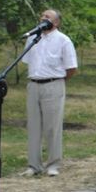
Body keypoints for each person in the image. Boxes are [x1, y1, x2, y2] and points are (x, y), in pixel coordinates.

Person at [21, 9, 78, 177]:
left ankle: (53, 164)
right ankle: (34, 165)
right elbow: (27, 61)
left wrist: (59, 81)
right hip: (33, 85)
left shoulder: (63, 40)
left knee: (52, 127)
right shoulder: (32, 38)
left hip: (53, 85)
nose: (44, 18)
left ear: (56, 22)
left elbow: (72, 68)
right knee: (33, 126)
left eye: (48, 17)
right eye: (42, 16)